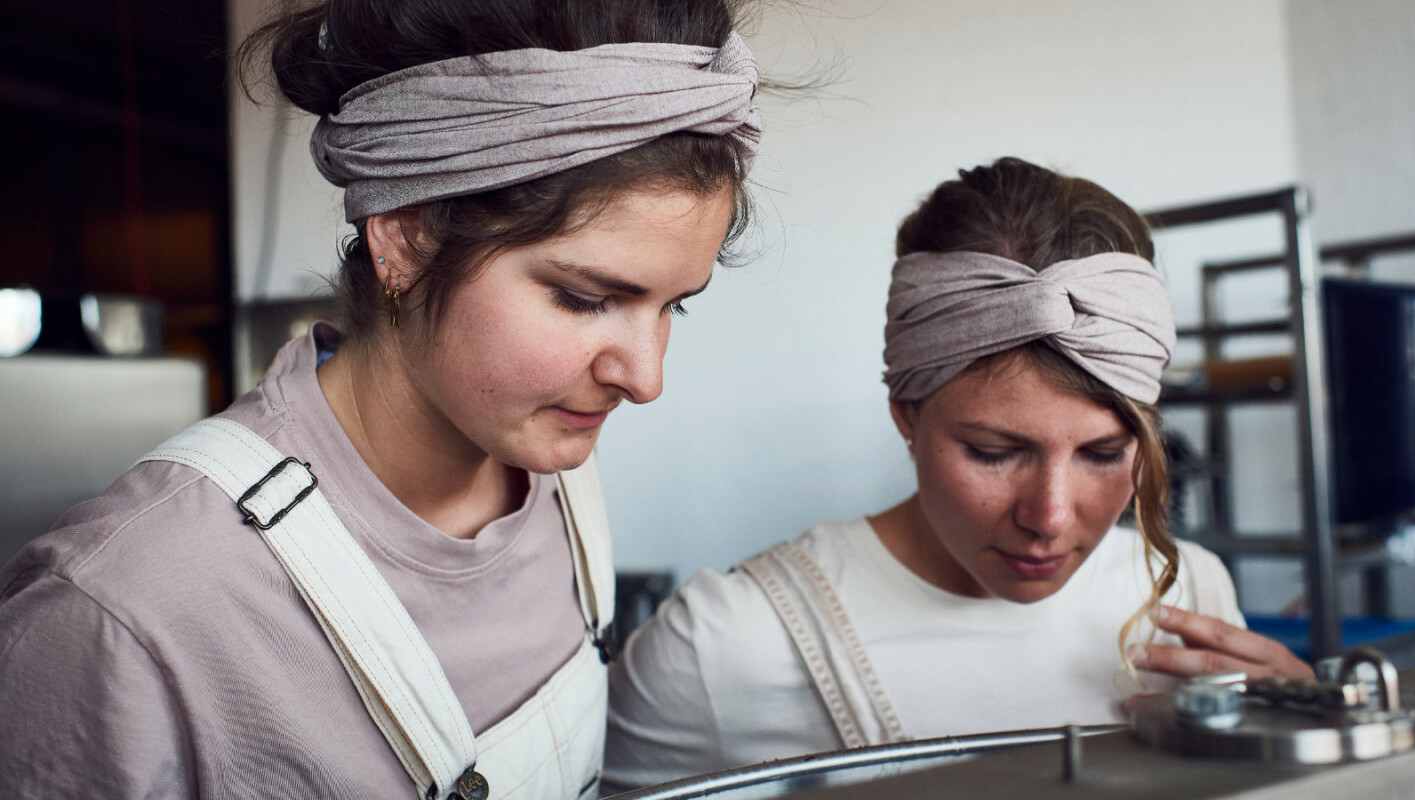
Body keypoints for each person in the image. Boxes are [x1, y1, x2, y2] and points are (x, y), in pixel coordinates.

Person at [0, 1, 762, 797]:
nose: (646, 381)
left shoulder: (557, 472)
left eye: (675, 305)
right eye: (582, 298)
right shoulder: (118, 618)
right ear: (403, 236)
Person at [603, 157, 1312, 791]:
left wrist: (1315, 744)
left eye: (1102, 453)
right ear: (907, 413)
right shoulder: (724, 649)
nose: (1051, 516)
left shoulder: (1190, 594)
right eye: (994, 452)